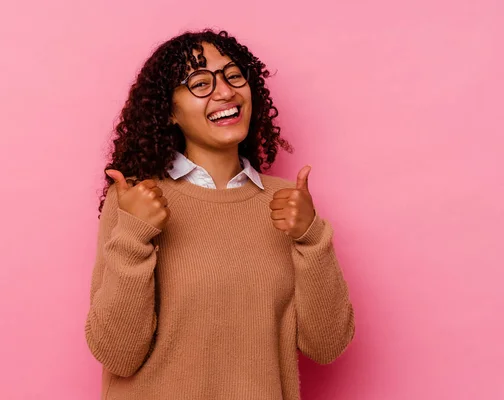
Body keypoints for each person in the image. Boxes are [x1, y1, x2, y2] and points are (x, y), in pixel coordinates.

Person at [85, 29, 355, 400]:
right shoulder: (135, 200)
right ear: (169, 111)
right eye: (199, 82)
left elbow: (327, 346)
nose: (225, 91)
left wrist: (311, 236)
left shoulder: (287, 205)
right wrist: (133, 235)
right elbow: (117, 355)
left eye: (233, 76)